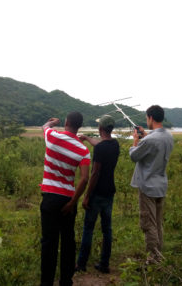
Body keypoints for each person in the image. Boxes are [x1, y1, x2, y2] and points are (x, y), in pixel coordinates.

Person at [39, 112, 90, 286]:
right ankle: (66, 281)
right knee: (68, 242)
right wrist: (72, 202)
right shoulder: (83, 150)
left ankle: (46, 282)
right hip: (68, 199)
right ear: (79, 127)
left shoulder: (52, 136)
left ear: (67, 122)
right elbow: (84, 179)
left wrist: (52, 122)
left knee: (49, 243)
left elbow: (45, 127)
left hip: (50, 198)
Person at [129, 105, 174, 263]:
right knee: (157, 222)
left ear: (151, 118)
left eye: (147, 118)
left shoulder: (150, 140)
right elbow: (153, 144)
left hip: (148, 186)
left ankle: (154, 259)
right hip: (160, 185)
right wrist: (145, 136)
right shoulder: (168, 136)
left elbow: (134, 156)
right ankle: (159, 255)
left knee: (148, 223)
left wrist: (135, 140)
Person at [76, 115, 120, 274]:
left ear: (100, 129)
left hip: (97, 194)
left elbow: (95, 173)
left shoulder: (101, 148)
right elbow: (101, 144)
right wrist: (87, 138)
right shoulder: (115, 144)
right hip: (110, 192)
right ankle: (104, 264)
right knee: (107, 230)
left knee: (88, 228)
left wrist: (87, 195)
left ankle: (81, 264)